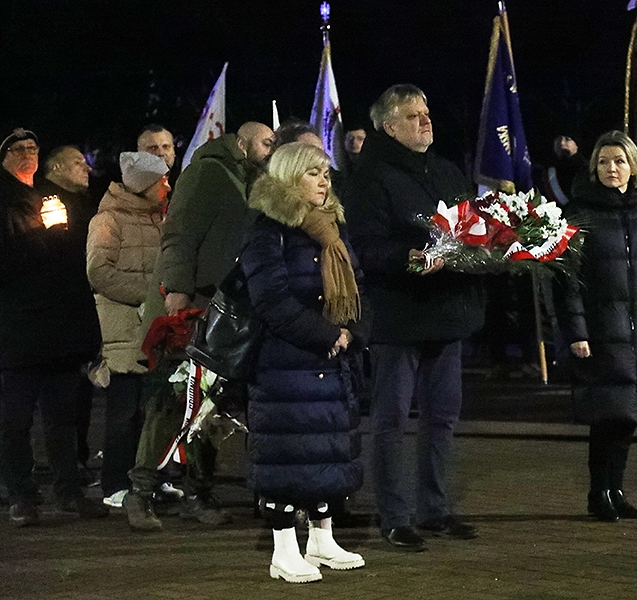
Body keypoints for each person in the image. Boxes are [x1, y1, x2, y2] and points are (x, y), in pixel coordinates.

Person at [343, 84, 484, 551]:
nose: (426, 120)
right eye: (413, 115)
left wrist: (494, 249)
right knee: (392, 420)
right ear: (389, 125)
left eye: (426, 112)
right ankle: (395, 515)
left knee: (442, 417)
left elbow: (472, 229)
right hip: (399, 317)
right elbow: (365, 246)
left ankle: (434, 509)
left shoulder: (446, 171)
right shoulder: (370, 176)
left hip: (447, 314)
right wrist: (414, 256)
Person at [123, 121, 275, 530]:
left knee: (209, 405)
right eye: (266, 142)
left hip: (223, 312)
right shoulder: (208, 172)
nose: (272, 148)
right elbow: (180, 234)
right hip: (192, 306)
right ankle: (141, 492)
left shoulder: (250, 181)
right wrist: (177, 292)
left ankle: (198, 492)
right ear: (242, 144)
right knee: (173, 402)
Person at [242, 143, 369, 583]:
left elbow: (357, 285)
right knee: (287, 455)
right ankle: (283, 550)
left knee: (326, 450)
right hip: (284, 363)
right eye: (312, 173)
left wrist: (351, 331)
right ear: (289, 178)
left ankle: (321, 539)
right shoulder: (267, 231)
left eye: (326, 174)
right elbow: (270, 301)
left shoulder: (333, 229)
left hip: (332, 361)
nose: (323, 181)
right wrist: (326, 334)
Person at [562, 130, 637, 522]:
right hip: (600, 332)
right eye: (605, 161)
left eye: (620, 161)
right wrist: (576, 331)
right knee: (607, 414)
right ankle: (599, 493)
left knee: (631, 414)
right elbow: (569, 279)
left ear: (633, 167)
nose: (613, 168)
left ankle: (618, 490)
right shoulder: (580, 213)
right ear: (595, 168)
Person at [0, 128, 107, 526]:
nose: (28, 153)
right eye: (18, 148)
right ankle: (22, 495)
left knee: (63, 418)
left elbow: (71, 260)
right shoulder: (6, 200)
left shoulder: (51, 197)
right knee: (15, 420)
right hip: (18, 329)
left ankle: (68, 490)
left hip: (59, 330)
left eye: (33, 147)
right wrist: (43, 240)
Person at [86, 152, 169, 508]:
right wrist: (151, 296)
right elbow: (99, 273)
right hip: (124, 329)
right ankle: (114, 483)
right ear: (144, 186)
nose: (167, 185)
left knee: (155, 409)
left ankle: (148, 479)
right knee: (124, 410)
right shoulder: (108, 220)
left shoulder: (160, 219)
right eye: (161, 180)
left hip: (155, 329)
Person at [35, 146, 102, 475]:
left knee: (78, 397)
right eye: (77, 162)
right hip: (60, 318)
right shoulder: (51, 203)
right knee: (63, 400)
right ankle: (68, 468)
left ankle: (76, 461)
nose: (85, 168)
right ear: (55, 167)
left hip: (77, 315)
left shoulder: (82, 204)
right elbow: (65, 254)